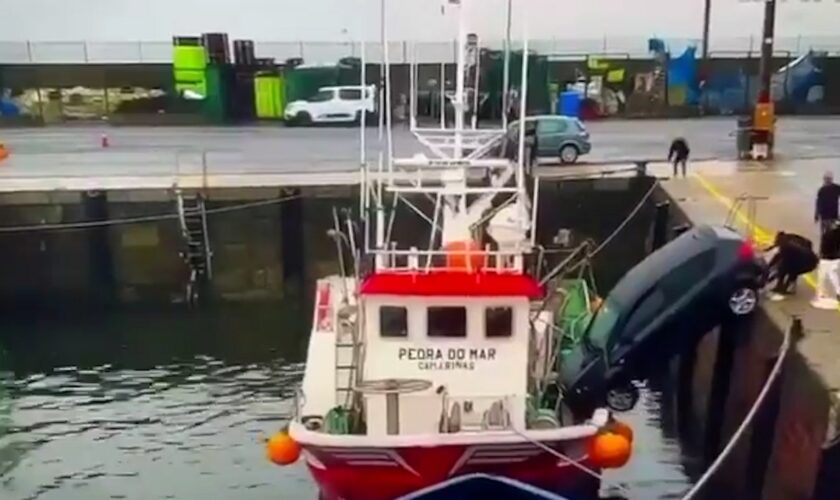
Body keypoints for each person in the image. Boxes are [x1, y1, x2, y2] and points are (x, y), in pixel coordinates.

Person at [765, 231, 819, 301]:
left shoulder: (786, 247)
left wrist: (768, 270)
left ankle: (785, 288)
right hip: (807, 258)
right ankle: (782, 286)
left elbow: (777, 259)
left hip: (808, 263)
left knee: (786, 269)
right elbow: (809, 242)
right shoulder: (789, 238)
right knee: (787, 268)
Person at [812, 220, 840, 309]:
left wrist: (821, 255)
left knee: (821, 276)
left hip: (826, 257)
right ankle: (838, 291)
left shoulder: (828, 235)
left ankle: (820, 294)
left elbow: (824, 246)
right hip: (836, 257)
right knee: (832, 273)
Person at [815, 171, 840, 237]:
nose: (827, 180)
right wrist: (816, 214)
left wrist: (817, 214)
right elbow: (818, 203)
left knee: (833, 234)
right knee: (826, 235)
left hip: (833, 216)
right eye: (826, 179)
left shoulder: (836, 188)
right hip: (825, 217)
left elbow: (818, 203)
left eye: (828, 179)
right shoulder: (821, 190)